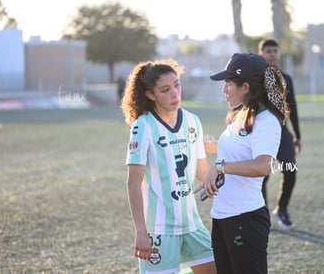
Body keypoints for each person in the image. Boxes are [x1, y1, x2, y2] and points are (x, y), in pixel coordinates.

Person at [120, 59, 217, 274]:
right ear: (150, 95)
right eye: (165, 90)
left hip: (192, 225)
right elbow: (133, 184)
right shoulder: (142, 127)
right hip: (159, 231)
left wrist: (226, 174)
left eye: (177, 85)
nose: (174, 93)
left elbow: (202, 171)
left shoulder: (193, 121)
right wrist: (140, 231)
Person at [202, 53, 289, 273]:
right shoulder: (242, 114)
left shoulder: (266, 120)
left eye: (228, 84)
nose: (224, 90)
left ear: (246, 87)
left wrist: (220, 167)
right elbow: (228, 149)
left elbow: (262, 166)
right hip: (222, 217)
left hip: (245, 220)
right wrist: (192, 143)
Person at [258, 39, 302, 229]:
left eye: (275, 50)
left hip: (282, 132)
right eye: (268, 51)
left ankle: (281, 210)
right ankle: (262, 215)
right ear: (261, 54)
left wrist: (297, 135)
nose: (272, 54)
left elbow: (292, 108)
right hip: (261, 133)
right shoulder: (256, 78)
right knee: (262, 175)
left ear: (280, 54)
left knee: (291, 169)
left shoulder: (287, 78)